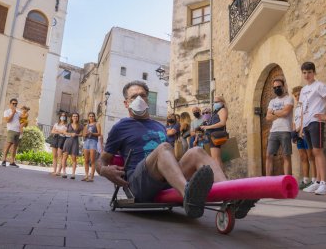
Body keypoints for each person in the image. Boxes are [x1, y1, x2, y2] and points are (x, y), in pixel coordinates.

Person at [96, 81, 255, 219]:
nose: (139, 99)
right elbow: (102, 160)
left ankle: (231, 197)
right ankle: (189, 197)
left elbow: (170, 157)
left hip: (166, 180)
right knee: (164, 147)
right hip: (139, 183)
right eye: (133, 97)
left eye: (143, 95)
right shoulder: (120, 127)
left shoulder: (159, 126)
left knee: (197, 152)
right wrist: (103, 170)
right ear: (126, 103)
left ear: (148, 99)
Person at [300, 62, 326, 195]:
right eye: (304, 73)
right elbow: (301, 109)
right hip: (306, 124)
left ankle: (324, 183)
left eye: (309, 72)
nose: (307, 75)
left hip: (316, 122)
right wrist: (300, 127)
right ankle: (317, 182)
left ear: (314, 72)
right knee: (311, 153)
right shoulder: (303, 89)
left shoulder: (319, 86)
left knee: (318, 151)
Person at [265, 79, 294, 176]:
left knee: (286, 156)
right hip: (273, 131)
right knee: (269, 156)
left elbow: (286, 113)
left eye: (279, 87)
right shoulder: (272, 101)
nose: (277, 89)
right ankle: (267, 181)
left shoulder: (289, 99)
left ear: (283, 86)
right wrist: (279, 113)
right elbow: (268, 117)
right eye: (275, 88)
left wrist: (273, 112)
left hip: (285, 130)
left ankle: (287, 179)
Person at [292, 86, 316, 189]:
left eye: (299, 94)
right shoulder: (296, 107)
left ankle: (315, 179)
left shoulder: (305, 104)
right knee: (303, 156)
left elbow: (304, 118)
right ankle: (306, 179)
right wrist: (293, 132)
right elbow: (295, 120)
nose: (297, 97)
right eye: (295, 95)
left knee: (311, 156)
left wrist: (299, 130)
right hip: (298, 134)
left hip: (304, 132)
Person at [201, 96, 228, 168]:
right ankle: (220, 177)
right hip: (212, 136)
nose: (214, 104)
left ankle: (221, 178)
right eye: (214, 102)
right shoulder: (217, 111)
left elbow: (222, 123)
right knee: (215, 159)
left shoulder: (223, 110)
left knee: (216, 159)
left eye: (216, 102)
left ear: (222, 102)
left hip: (216, 135)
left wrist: (208, 127)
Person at [61, 113, 83, 179]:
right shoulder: (68, 124)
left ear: (78, 117)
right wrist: (70, 134)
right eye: (74, 116)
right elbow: (64, 132)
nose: (75, 117)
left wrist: (76, 134)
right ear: (71, 117)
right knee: (65, 156)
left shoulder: (80, 125)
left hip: (75, 142)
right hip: (68, 141)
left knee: (74, 158)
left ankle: (73, 174)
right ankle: (64, 172)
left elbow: (82, 134)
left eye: (76, 116)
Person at [82, 112, 101, 182]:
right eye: (90, 116)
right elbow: (83, 134)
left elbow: (99, 133)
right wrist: (85, 134)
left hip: (93, 142)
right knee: (86, 160)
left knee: (92, 160)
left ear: (94, 117)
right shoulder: (86, 125)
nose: (91, 117)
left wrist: (92, 133)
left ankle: (92, 177)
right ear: (88, 117)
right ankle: (86, 175)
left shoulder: (97, 124)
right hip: (86, 142)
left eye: (92, 116)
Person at [1, 98, 21, 168]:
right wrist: (13, 112)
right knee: (8, 146)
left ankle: (12, 162)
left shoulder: (19, 112)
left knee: (15, 148)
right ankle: (4, 160)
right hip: (11, 130)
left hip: (18, 131)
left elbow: (22, 122)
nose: (15, 105)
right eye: (13, 103)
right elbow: (8, 120)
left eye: (16, 104)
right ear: (10, 104)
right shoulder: (7, 112)